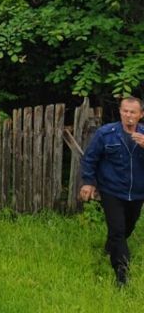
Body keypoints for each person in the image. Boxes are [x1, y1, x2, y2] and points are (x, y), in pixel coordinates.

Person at [80, 95, 144, 286]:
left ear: (141, 114)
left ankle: (111, 246)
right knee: (117, 230)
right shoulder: (106, 133)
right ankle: (122, 274)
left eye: (133, 112)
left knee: (128, 227)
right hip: (112, 190)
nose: (128, 115)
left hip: (138, 192)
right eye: (125, 111)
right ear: (120, 112)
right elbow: (90, 158)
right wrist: (88, 182)